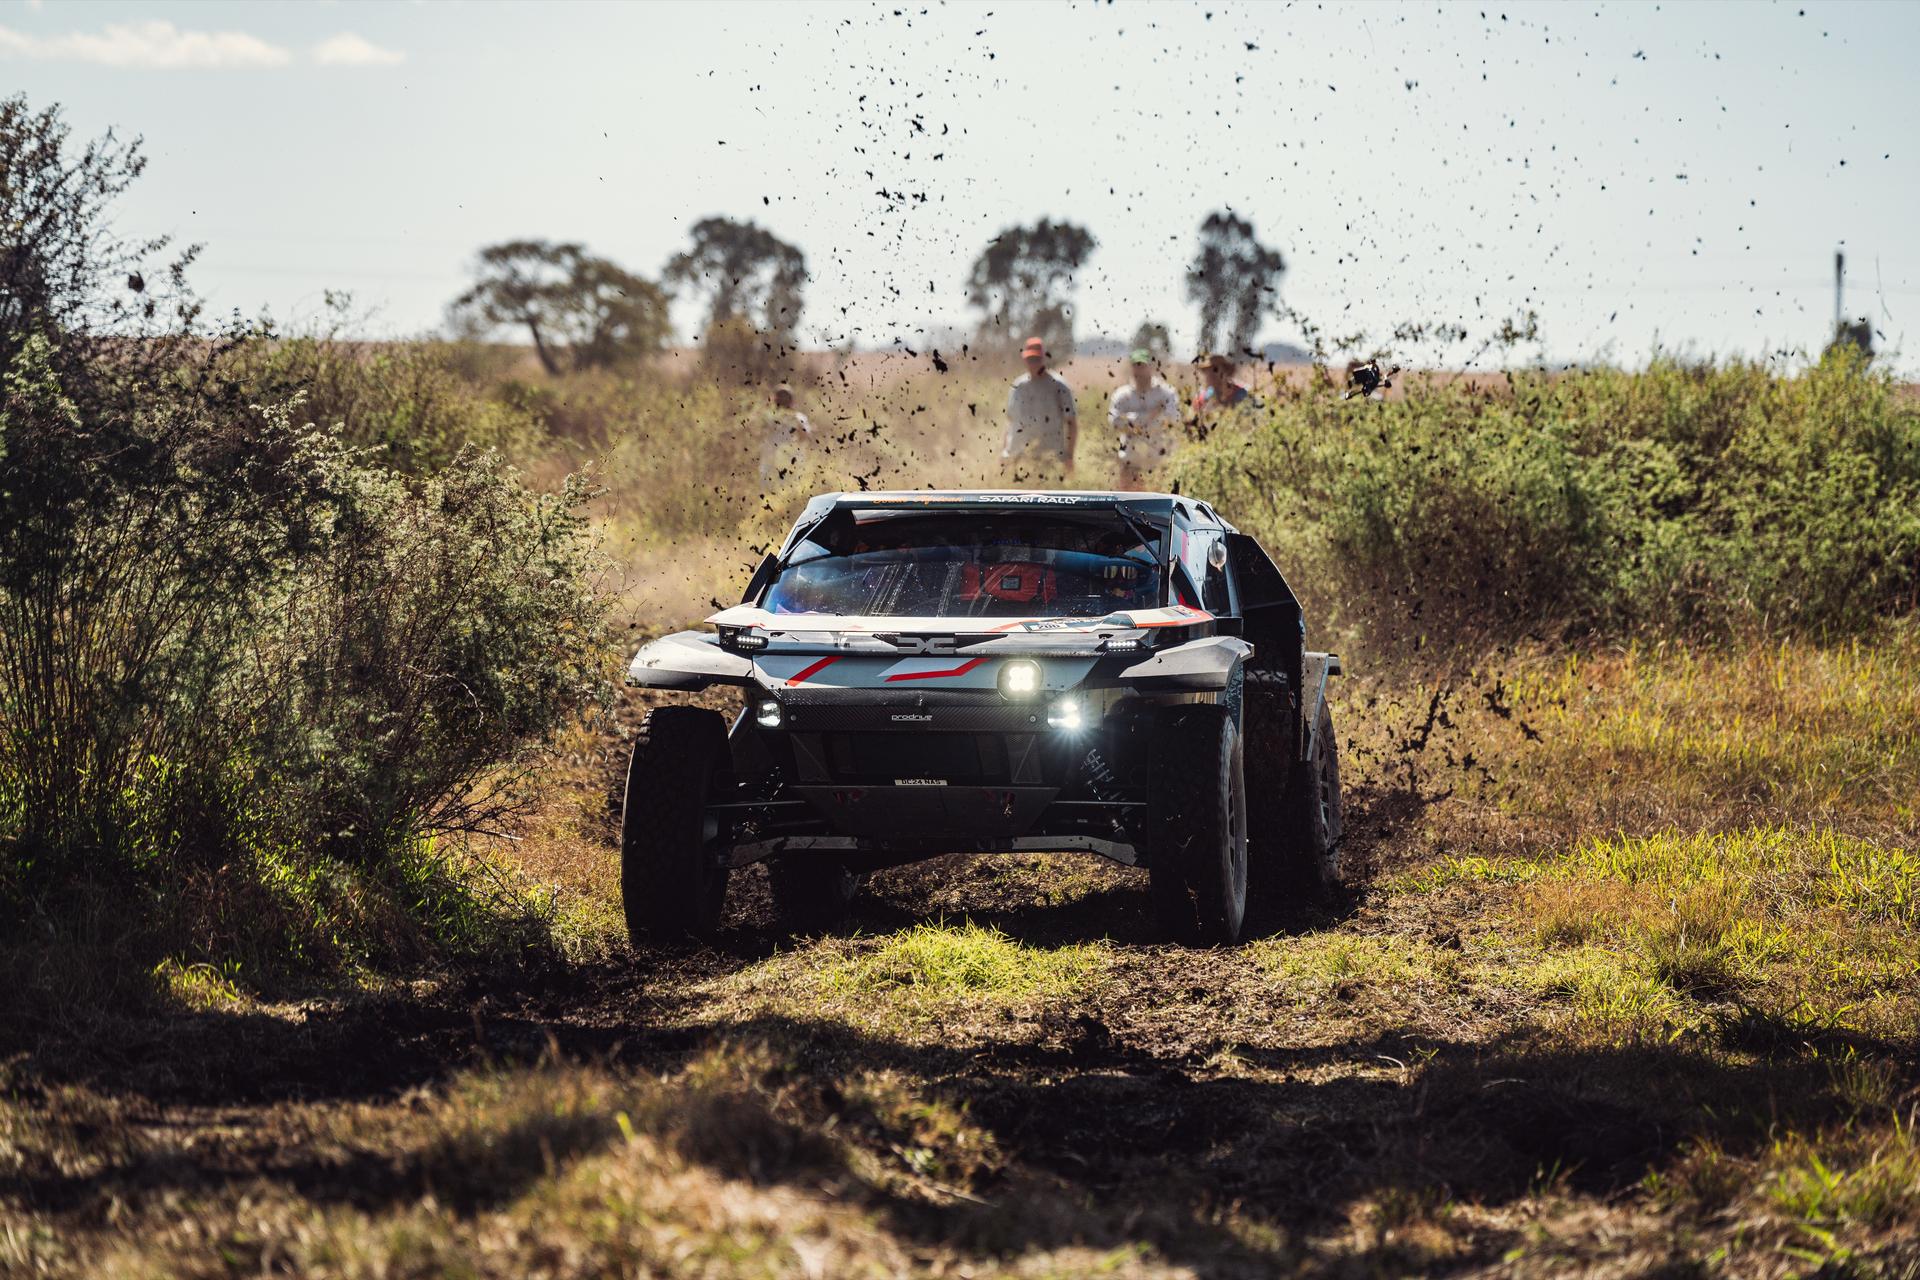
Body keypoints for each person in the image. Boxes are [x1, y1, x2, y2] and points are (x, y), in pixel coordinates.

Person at [1002, 336, 1078, 482]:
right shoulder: (1018, 386)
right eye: (1030, 360)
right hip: (1020, 458)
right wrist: (1004, 451)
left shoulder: (1059, 386)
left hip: (1049, 458)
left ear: (1044, 359)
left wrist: (1069, 456)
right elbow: (1010, 422)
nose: (1033, 364)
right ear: (1025, 360)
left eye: (1036, 360)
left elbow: (1072, 423)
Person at [1107, 348, 1181, 489]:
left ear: (1151, 366)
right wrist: (1151, 415)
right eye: (1136, 365)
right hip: (1131, 464)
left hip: (1160, 464)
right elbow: (1115, 422)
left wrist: (1133, 423)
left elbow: (1173, 419)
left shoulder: (1166, 393)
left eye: (1142, 365)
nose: (1139, 370)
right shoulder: (1121, 395)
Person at [759, 383, 813, 485]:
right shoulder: (798, 417)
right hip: (789, 464)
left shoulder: (767, 415)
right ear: (792, 401)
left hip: (774, 463)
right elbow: (806, 438)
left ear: (774, 399)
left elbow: (756, 434)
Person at [1191, 352, 1258, 426]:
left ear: (1225, 371)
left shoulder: (1244, 394)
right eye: (1206, 370)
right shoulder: (1203, 397)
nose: (1209, 374)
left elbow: (1251, 423)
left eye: (1215, 369)